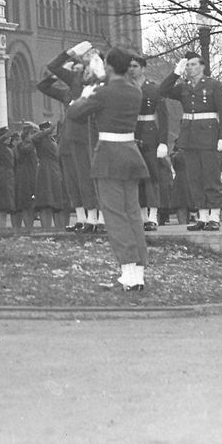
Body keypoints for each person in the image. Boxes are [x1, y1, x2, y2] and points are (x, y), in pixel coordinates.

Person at [67, 47, 150, 292]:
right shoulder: (134, 91)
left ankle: (128, 272)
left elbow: (75, 113)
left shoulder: (103, 92)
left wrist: (85, 93)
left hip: (109, 156)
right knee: (132, 214)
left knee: (115, 216)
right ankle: (138, 272)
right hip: (130, 153)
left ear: (110, 66)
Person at [157, 53, 222, 231]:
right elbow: (163, 90)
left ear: (202, 66)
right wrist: (176, 73)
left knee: (211, 177)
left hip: (208, 136)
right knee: (195, 179)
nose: (189, 67)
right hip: (189, 137)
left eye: (192, 64)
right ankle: (202, 216)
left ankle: (214, 217)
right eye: (187, 65)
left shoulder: (213, 85)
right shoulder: (183, 86)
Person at [37, 43, 103, 231]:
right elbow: (52, 68)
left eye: (93, 57)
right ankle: (83, 218)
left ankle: (95, 219)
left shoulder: (101, 80)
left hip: (90, 130)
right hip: (72, 132)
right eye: (86, 56)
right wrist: (70, 53)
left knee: (87, 176)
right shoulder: (76, 79)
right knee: (74, 178)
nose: (88, 59)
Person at [129, 55, 169, 232]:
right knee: (135, 176)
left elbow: (164, 117)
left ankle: (152, 216)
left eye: (135, 66)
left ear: (143, 68)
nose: (132, 69)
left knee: (152, 175)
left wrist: (163, 142)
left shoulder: (153, 89)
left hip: (150, 132)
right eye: (129, 66)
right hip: (130, 133)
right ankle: (141, 215)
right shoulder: (126, 88)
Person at [33, 122, 67, 230]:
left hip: (55, 171)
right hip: (45, 171)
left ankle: (59, 228)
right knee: (45, 202)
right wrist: (47, 131)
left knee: (57, 203)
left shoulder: (53, 140)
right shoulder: (40, 140)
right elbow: (34, 138)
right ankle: (46, 228)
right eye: (48, 129)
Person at [14, 125, 38, 232]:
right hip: (25, 177)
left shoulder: (30, 145)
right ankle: (28, 226)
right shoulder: (22, 145)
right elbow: (26, 150)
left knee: (32, 203)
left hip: (32, 175)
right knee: (26, 203)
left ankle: (30, 226)